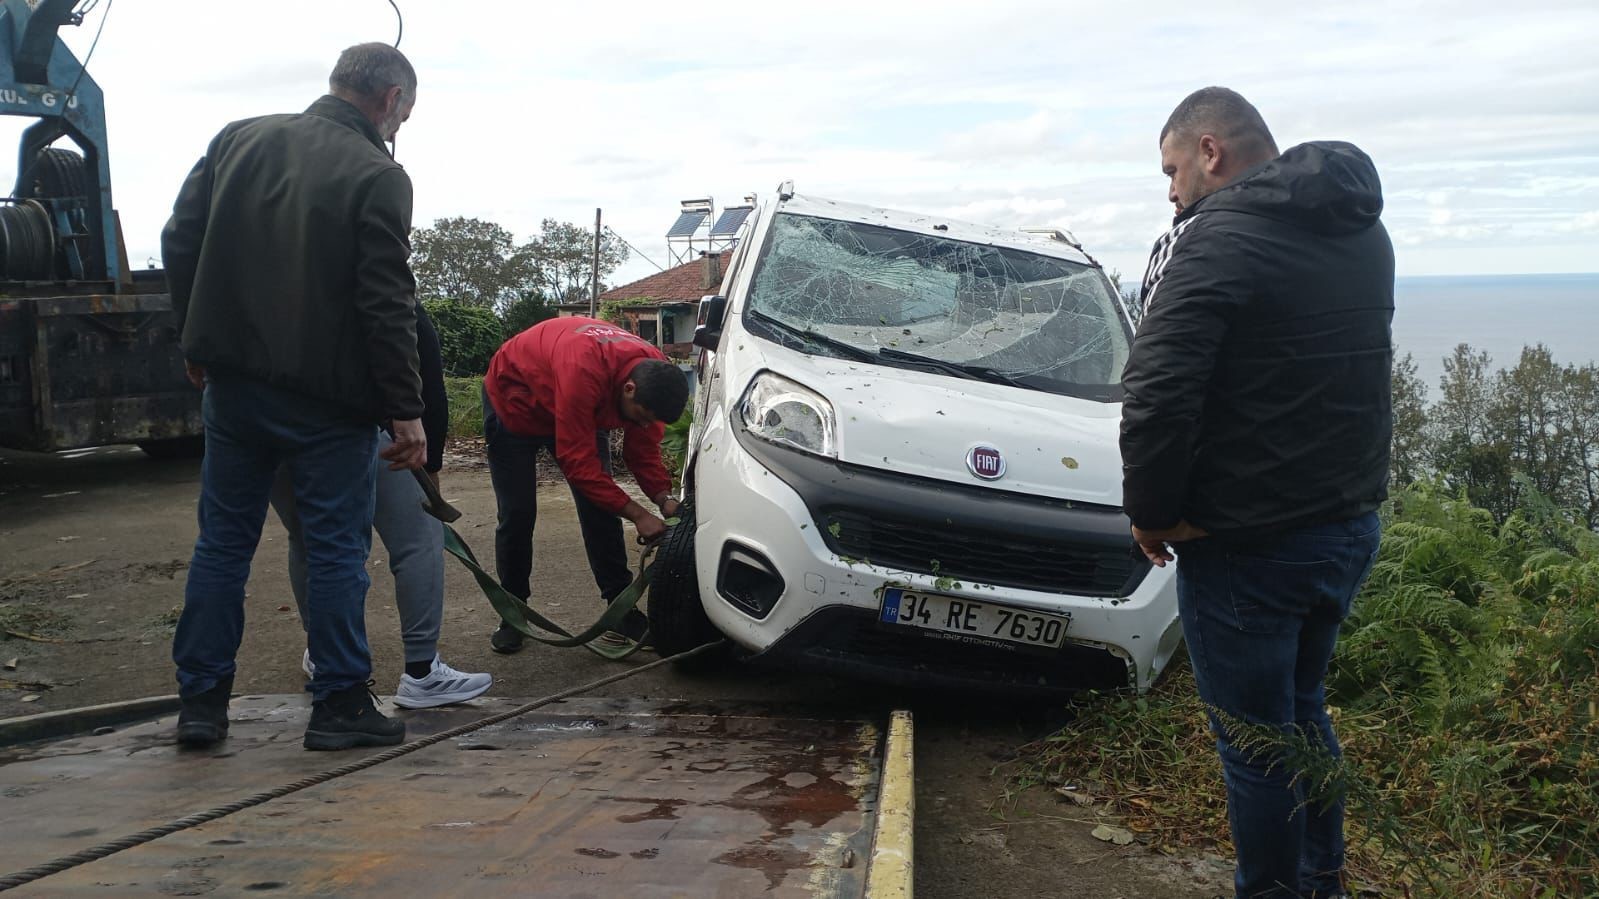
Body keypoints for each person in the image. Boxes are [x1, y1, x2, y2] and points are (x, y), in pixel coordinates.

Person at [1119, 87, 1393, 898]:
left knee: (1252, 742)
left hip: (1245, 542)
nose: (1169, 192)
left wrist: (1152, 511)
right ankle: (1322, 880)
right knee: (1302, 713)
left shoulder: (1214, 238)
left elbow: (1157, 391)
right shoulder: (1362, 229)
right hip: (1344, 523)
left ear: (1211, 151)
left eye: (1171, 169)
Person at [163, 43, 427, 751]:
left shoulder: (238, 139)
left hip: (235, 392)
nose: (400, 125)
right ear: (391, 99)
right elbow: (384, 302)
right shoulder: (378, 174)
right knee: (337, 548)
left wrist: (196, 341)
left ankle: (201, 705)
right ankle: (340, 703)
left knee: (222, 544)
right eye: (405, 112)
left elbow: (179, 237)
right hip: (330, 405)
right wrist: (406, 409)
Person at [269, 302, 492, 709]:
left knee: (307, 541)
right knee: (420, 539)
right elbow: (427, 385)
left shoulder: (270, 291)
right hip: (361, 430)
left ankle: (323, 655)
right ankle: (423, 672)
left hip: (268, 427)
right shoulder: (384, 294)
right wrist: (432, 469)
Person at [481, 316, 689, 654]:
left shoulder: (654, 375)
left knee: (600, 509)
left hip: (578, 399)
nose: (646, 425)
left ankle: (620, 611)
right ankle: (513, 612)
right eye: (642, 416)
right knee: (518, 513)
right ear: (629, 388)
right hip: (515, 400)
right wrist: (639, 514)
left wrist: (663, 498)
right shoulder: (583, 370)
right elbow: (579, 466)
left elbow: (644, 448)